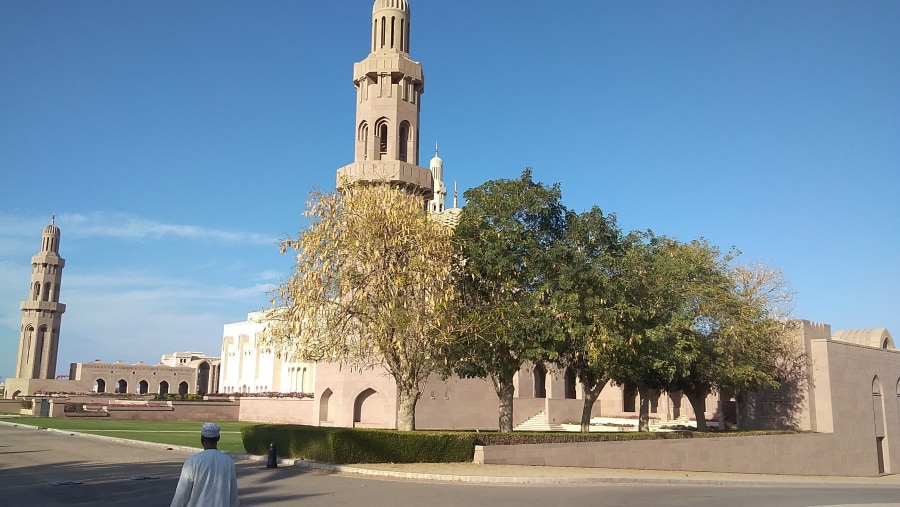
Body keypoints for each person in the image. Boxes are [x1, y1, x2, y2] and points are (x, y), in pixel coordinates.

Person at [170, 423, 240, 507]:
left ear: (202, 439)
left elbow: (182, 492)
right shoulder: (228, 461)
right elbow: (233, 494)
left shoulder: (193, 461)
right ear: (218, 438)